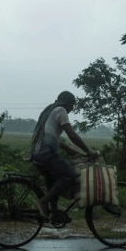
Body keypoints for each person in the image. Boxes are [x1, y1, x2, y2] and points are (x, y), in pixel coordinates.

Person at [27, 91, 97, 220]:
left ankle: (53, 213)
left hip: (36, 153)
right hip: (46, 154)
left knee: (52, 181)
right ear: (68, 103)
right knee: (69, 176)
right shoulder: (61, 110)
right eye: (72, 105)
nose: (72, 108)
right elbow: (71, 134)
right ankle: (43, 202)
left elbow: (51, 136)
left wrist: (68, 148)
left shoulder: (49, 110)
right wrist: (88, 151)